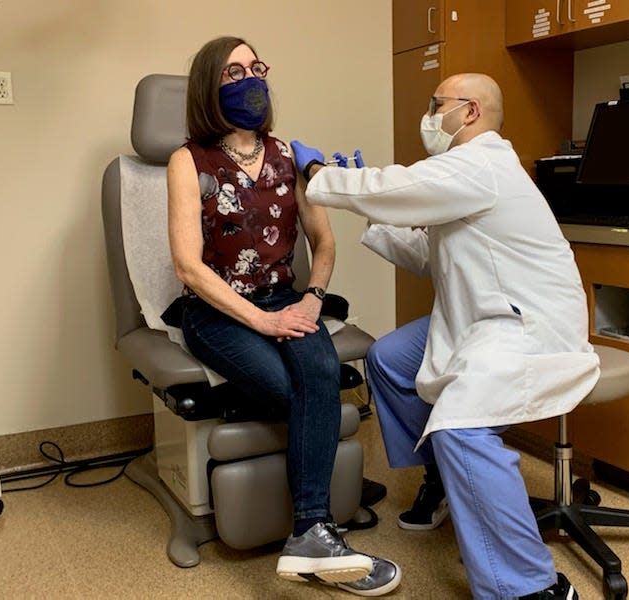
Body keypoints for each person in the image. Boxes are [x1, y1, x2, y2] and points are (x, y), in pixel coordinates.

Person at [290, 73, 601, 599]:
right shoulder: (466, 175)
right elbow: (432, 256)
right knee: (389, 358)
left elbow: (397, 188)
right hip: (481, 317)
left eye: (437, 105)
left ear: (471, 112)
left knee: (462, 426)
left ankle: (531, 587)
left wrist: (321, 175)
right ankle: (442, 482)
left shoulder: (481, 163)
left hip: (528, 325)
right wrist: (374, 214)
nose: (430, 114)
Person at [166, 36, 400, 597]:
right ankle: (320, 509)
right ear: (209, 87)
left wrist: (311, 300)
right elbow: (187, 268)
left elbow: (323, 241)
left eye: (255, 67)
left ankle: (312, 532)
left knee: (318, 375)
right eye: (233, 72)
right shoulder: (187, 161)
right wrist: (263, 323)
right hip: (216, 309)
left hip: (287, 299)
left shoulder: (289, 156)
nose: (250, 79)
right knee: (287, 389)